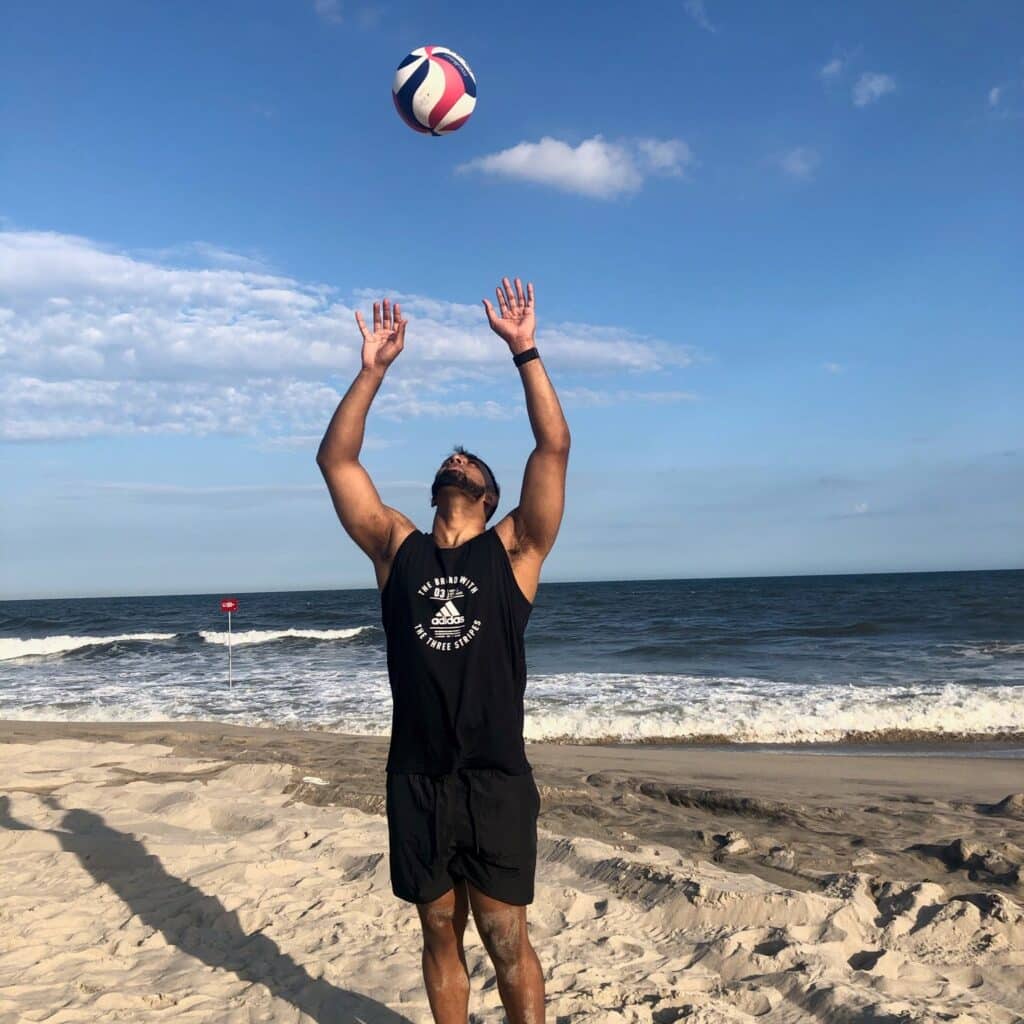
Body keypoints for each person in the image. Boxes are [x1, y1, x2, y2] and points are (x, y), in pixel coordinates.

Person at [316, 277, 569, 1024]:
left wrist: (524, 349)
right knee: (435, 930)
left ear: (490, 495)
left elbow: (553, 445)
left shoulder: (515, 549)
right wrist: (373, 371)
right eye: (449, 460)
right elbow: (337, 462)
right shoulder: (398, 548)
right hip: (416, 774)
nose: (455, 461)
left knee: (503, 933)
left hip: (493, 775)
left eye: (469, 462)